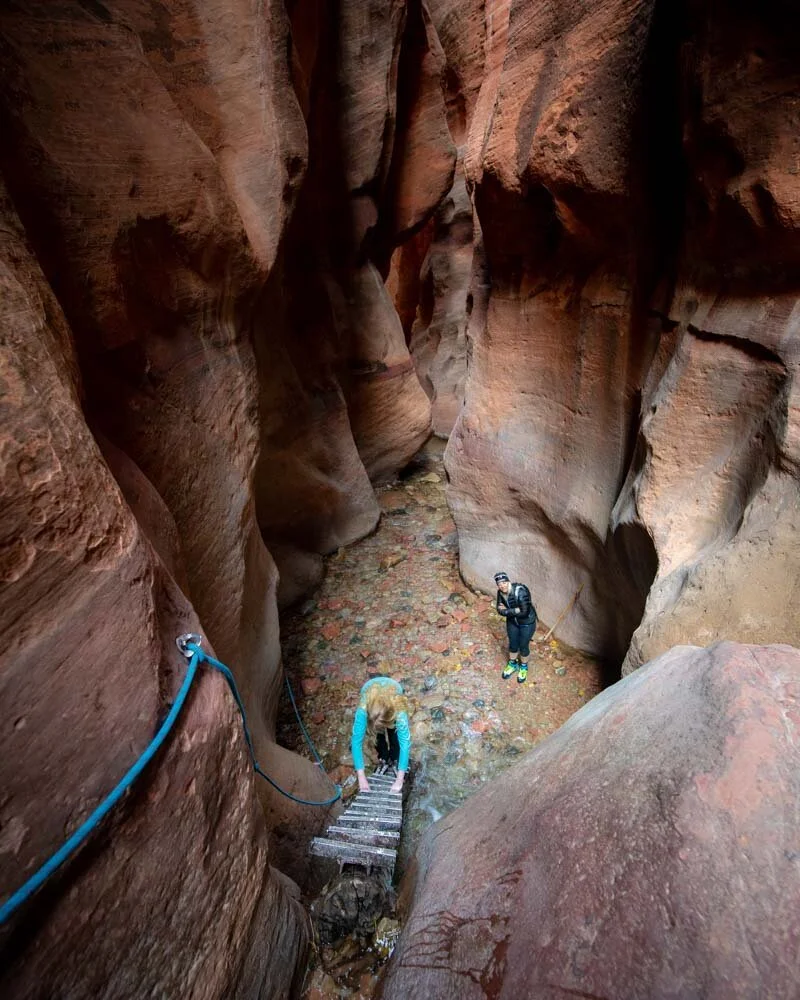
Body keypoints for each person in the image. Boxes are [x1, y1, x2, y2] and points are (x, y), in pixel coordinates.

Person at [351, 677, 411, 794]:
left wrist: (399, 779)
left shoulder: (399, 710)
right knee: (377, 734)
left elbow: (405, 744)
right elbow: (356, 742)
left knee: (395, 737)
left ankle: (394, 758)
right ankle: (383, 756)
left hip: (394, 689)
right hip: (369, 691)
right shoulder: (363, 709)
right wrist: (361, 777)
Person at [494, 571, 537, 683]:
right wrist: (514, 611)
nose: (502, 586)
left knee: (523, 645)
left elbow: (525, 612)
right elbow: (499, 609)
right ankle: (512, 664)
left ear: (508, 581)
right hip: (512, 621)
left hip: (527, 623)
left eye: (503, 582)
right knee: (513, 644)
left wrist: (507, 610)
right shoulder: (500, 593)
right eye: (499, 584)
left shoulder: (520, 591)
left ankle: (523, 666)